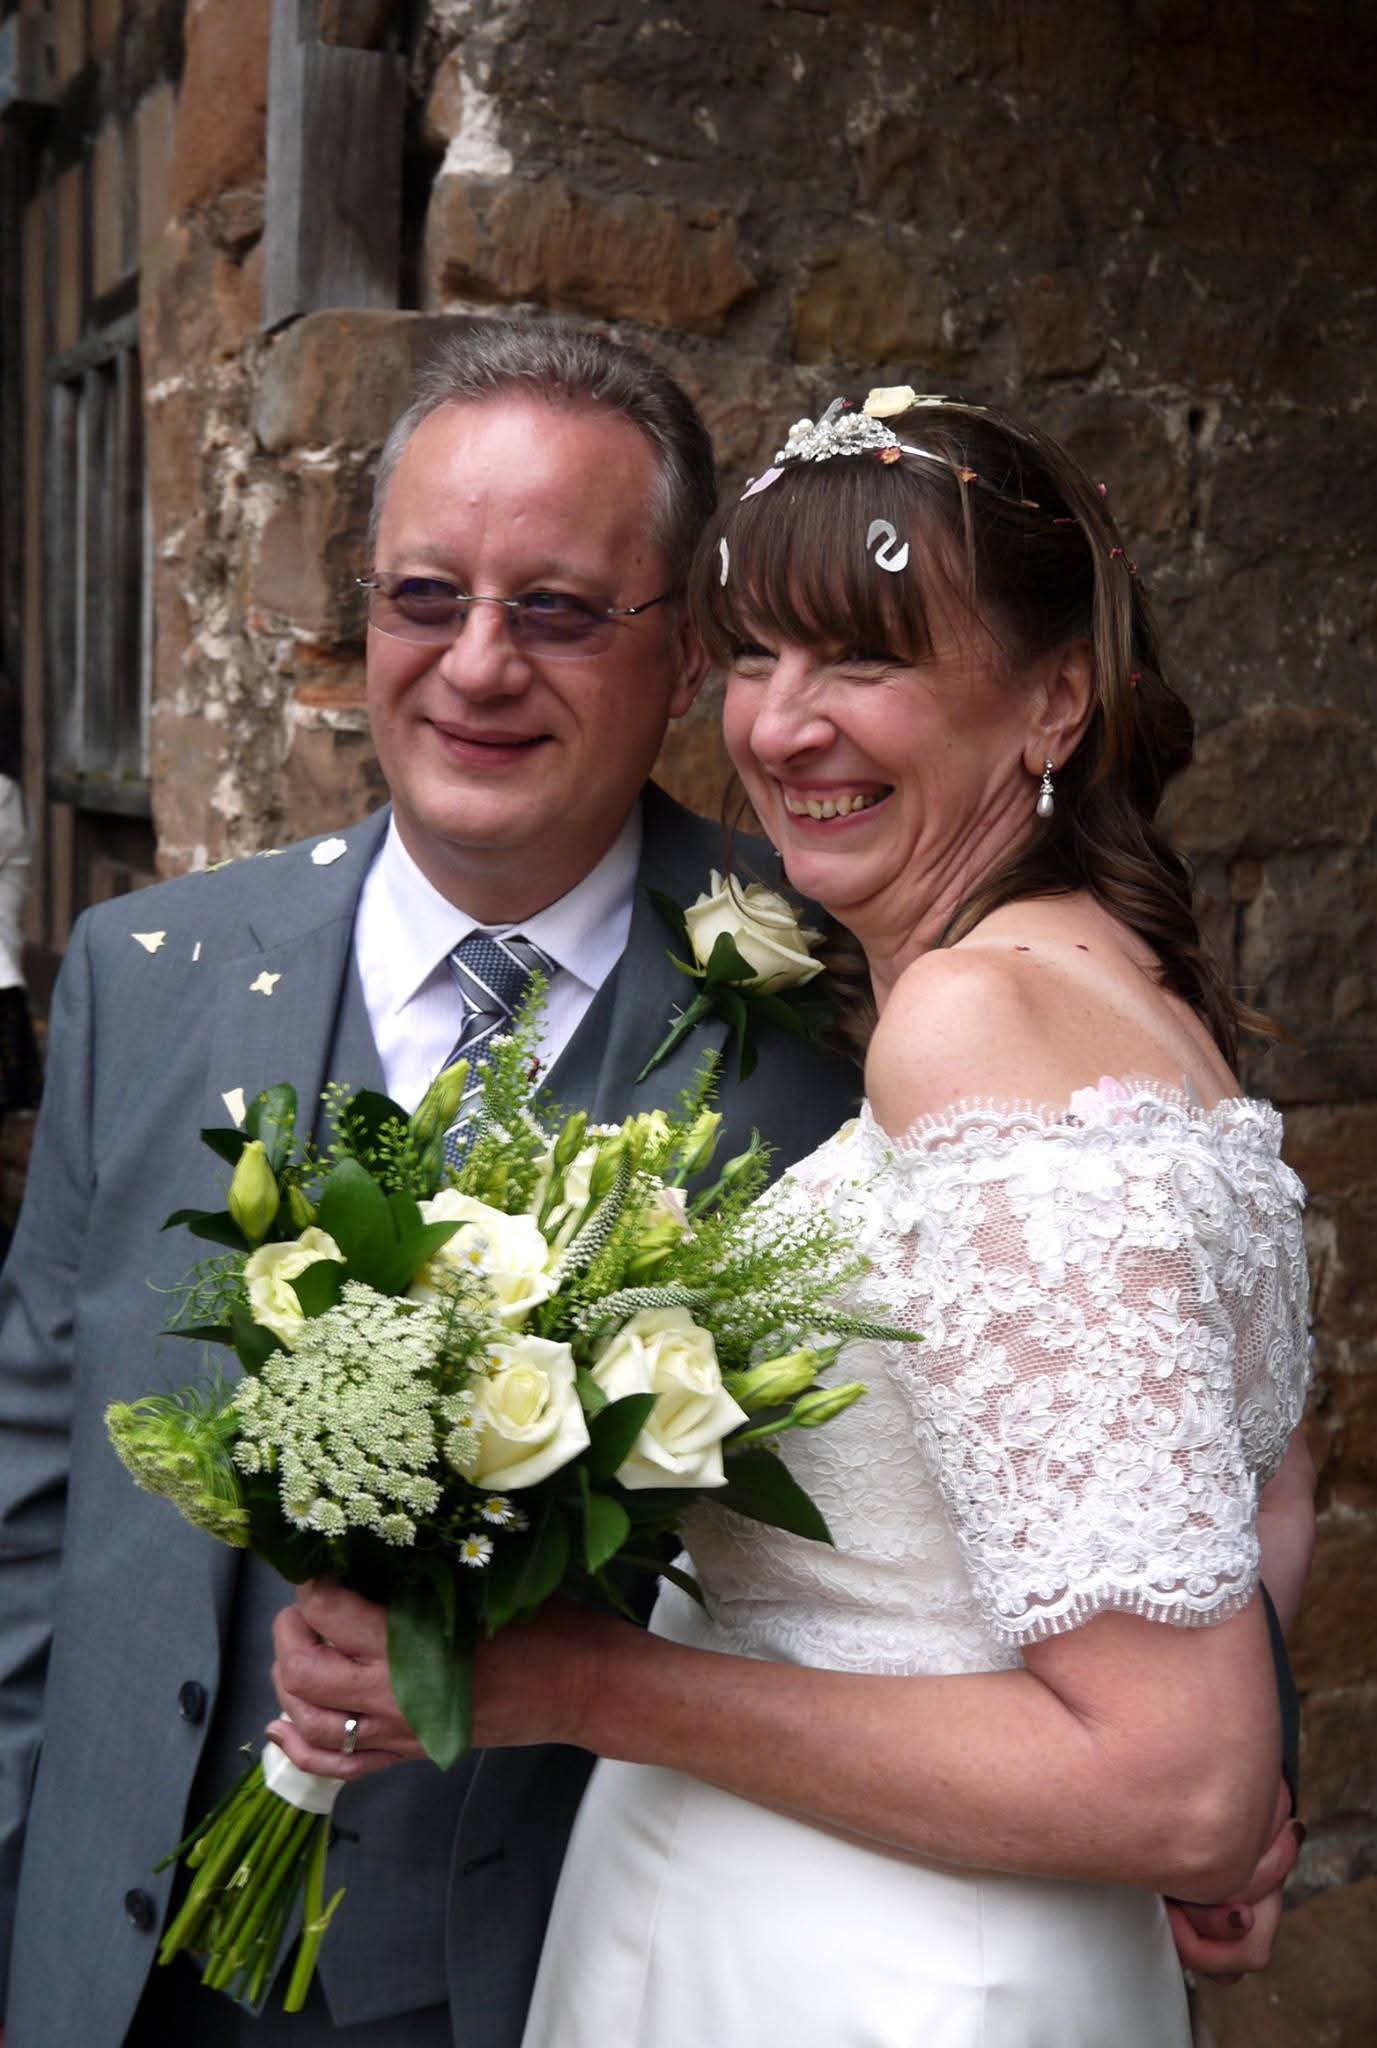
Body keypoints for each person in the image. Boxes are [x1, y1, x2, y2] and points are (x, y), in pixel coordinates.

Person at [270, 390, 1314, 2046]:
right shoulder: (1133, 997)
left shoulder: (976, 1022)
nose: (778, 725)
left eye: (865, 660)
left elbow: (1178, 1787)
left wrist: (579, 1682)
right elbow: (1253, 1477)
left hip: (860, 1962)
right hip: (899, 1918)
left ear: (1055, 700)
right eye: (755, 654)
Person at [0, 323, 863, 2048]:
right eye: (423, 597)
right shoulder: (146, 970)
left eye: (554, 609)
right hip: (126, 1973)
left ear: (683, 655)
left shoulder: (838, 1008)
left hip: (557, 1976)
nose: (474, 668)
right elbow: (31, 1513)